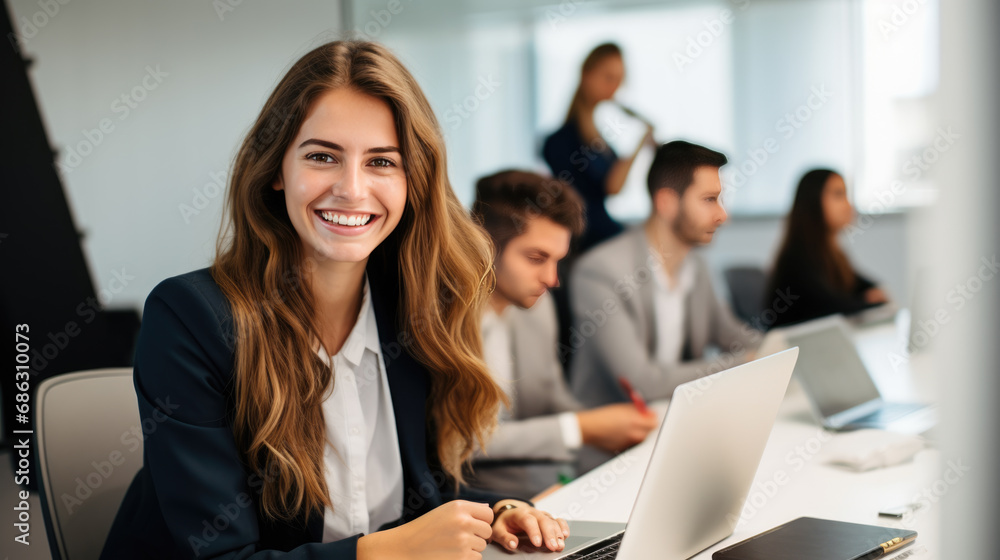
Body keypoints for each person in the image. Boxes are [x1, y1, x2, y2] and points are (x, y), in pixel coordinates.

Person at [101, 41, 569, 560]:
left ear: (413, 183)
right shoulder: (192, 320)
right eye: (322, 156)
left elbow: (414, 500)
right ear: (277, 169)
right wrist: (382, 553)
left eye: (381, 162)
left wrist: (500, 510)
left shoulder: (411, 311)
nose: (351, 188)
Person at [468, 170, 657, 500]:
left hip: (543, 480)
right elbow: (464, 444)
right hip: (480, 497)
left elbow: (552, 397)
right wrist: (582, 428)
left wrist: (610, 425)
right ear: (483, 246)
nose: (553, 279)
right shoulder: (442, 321)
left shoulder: (537, 308)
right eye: (536, 258)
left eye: (558, 261)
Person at [569, 141, 761, 409]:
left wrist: (785, 349)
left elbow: (733, 336)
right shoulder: (600, 271)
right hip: (614, 438)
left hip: (678, 416)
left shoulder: (696, 268)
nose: (723, 215)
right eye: (709, 200)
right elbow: (640, 382)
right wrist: (744, 363)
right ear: (667, 202)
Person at [542, 43, 655, 252]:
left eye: (619, 81)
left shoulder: (600, 141)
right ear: (586, 75)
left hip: (603, 235)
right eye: (608, 78)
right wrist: (639, 142)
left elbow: (617, 186)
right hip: (583, 242)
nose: (614, 88)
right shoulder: (560, 141)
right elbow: (612, 187)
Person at [764, 169, 889, 328]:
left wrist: (873, 296)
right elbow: (832, 307)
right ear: (813, 201)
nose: (848, 206)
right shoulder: (798, 257)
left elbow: (864, 286)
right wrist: (870, 302)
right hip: (797, 346)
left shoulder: (831, 253)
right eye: (838, 195)